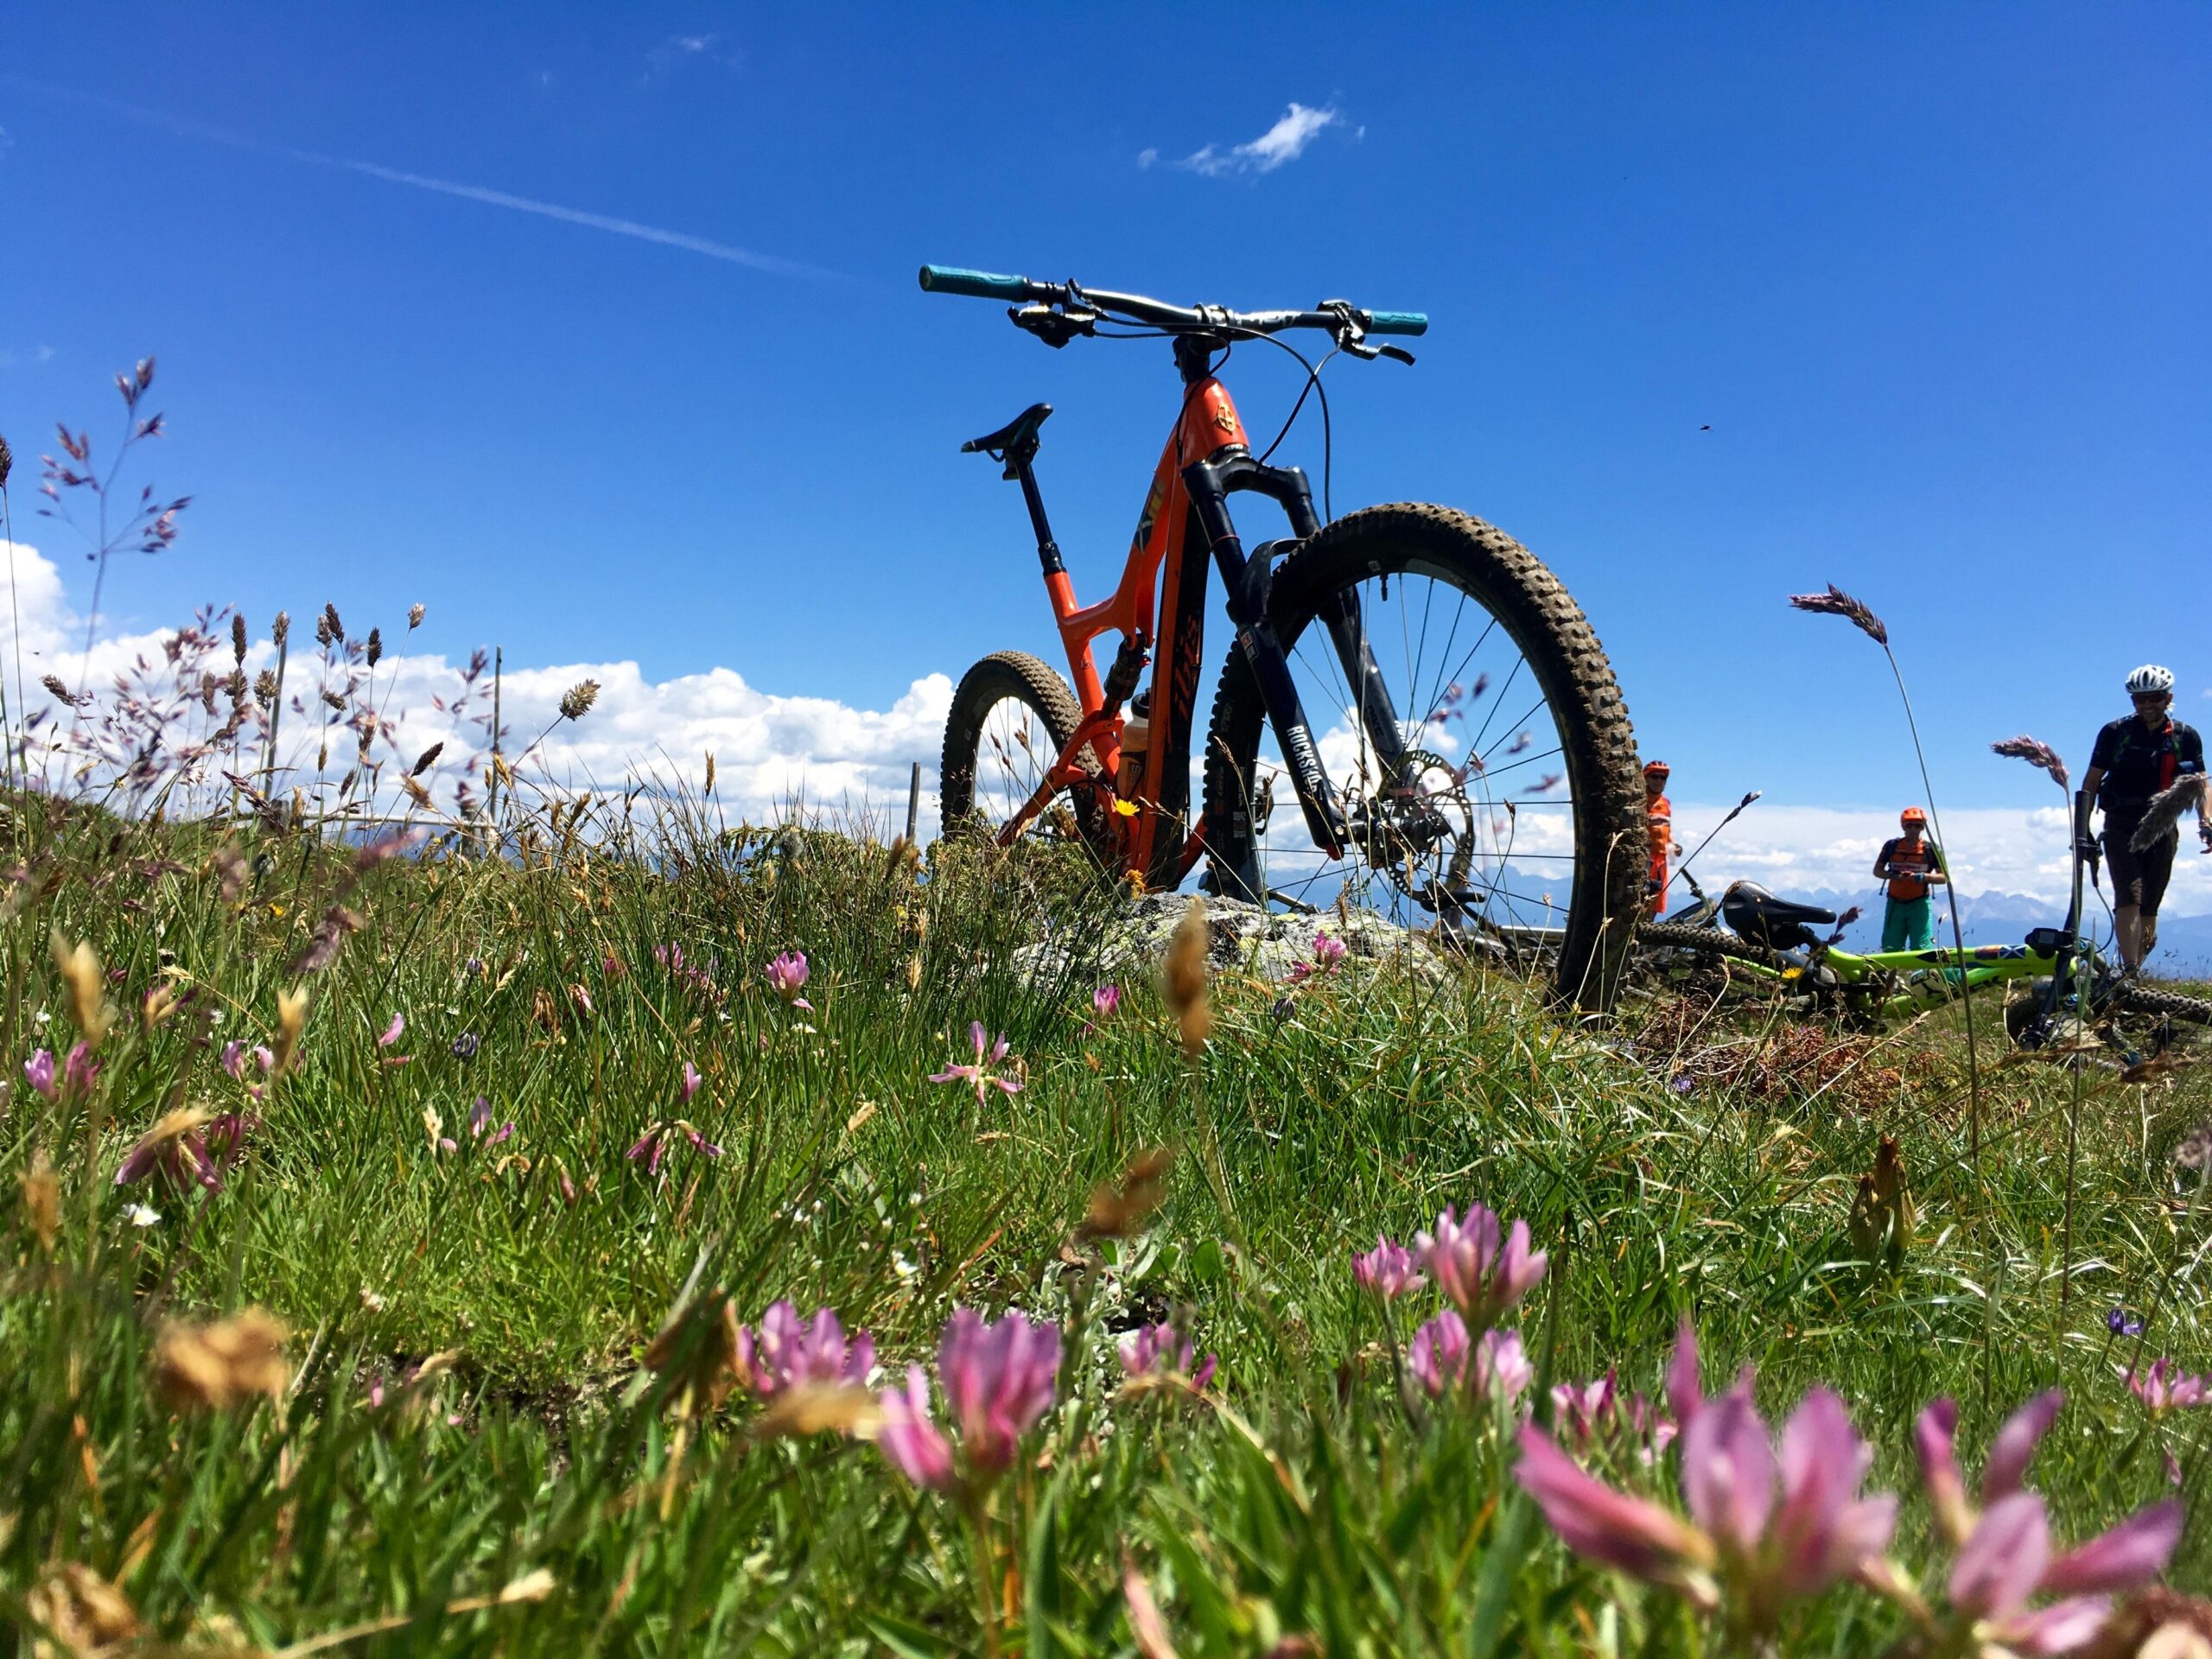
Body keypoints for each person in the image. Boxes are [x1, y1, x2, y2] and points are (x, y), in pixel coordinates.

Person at [2075, 664, 2209, 970]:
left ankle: (2133, 974)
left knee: (2150, 903)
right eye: (2139, 700)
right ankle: (2130, 969)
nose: (2147, 705)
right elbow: (2091, 782)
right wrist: (2081, 830)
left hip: (2163, 824)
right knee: (2130, 895)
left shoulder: (2185, 736)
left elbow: (2200, 783)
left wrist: (2206, 822)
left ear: (2168, 698)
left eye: (2154, 698)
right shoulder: (2115, 733)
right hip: (2120, 822)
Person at [1872, 806, 1947, 950]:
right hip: (1894, 903)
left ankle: (1926, 973)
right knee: (1890, 947)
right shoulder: (1891, 846)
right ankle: (1890, 973)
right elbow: (1877, 871)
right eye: (1909, 825)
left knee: (1922, 948)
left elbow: (1944, 877)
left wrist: (1923, 877)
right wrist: (1893, 875)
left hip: (1919, 904)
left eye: (1918, 825)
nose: (1913, 829)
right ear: (1903, 827)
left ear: (1923, 827)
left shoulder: (1931, 849)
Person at [1643, 760, 1671, 915]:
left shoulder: (1666, 804)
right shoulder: (1641, 801)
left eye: (1663, 778)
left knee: (1655, 903)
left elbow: (1667, 831)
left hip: (1662, 861)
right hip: (1647, 859)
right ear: (1646, 778)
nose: (1659, 781)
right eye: (1654, 776)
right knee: (1643, 901)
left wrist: (1673, 846)